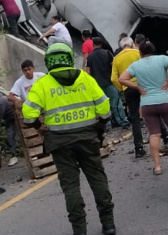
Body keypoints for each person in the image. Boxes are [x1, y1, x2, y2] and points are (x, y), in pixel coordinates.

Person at [22, 43, 116, 235]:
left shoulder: (43, 84)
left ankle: (79, 230)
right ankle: (108, 225)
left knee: (71, 186)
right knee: (98, 179)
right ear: (68, 59)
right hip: (88, 140)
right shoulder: (85, 78)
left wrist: (40, 128)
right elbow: (105, 110)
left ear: (49, 62)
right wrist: (98, 126)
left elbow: (28, 115)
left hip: (59, 143)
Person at [119, 41, 168, 175]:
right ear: (153, 50)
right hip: (165, 99)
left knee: (155, 134)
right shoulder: (162, 59)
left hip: (147, 102)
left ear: (140, 52)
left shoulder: (135, 65)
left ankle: (157, 166)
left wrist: (137, 87)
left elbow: (122, 79)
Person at [111, 37, 144, 155]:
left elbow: (114, 78)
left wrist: (122, 88)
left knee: (134, 118)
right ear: (131, 44)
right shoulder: (137, 53)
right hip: (142, 85)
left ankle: (139, 148)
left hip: (128, 89)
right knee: (153, 111)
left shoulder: (116, 58)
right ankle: (166, 137)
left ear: (121, 46)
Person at [85, 37, 128, 130]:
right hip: (109, 83)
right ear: (101, 43)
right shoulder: (107, 53)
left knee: (104, 105)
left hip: (98, 86)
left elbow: (87, 72)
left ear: (93, 44)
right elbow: (114, 67)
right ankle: (123, 122)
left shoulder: (90, 57)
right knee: (116, 103)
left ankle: (108, 125)